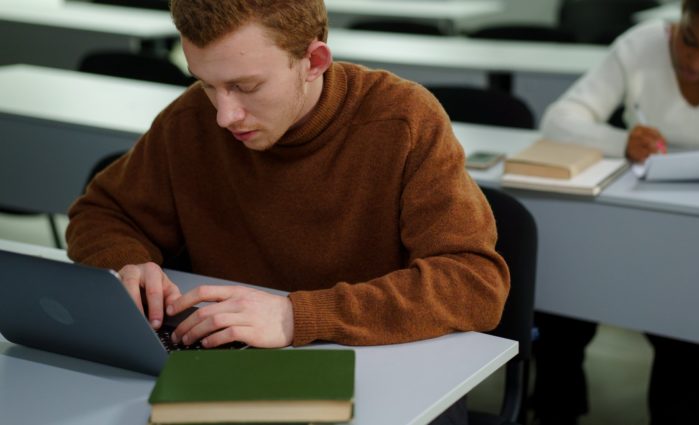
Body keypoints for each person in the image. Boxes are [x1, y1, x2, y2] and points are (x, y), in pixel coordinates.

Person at [66, 1, 509, 423]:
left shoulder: (403, 120)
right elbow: (101, 212)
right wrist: (127, 262)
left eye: (246, 86)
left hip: (382, 369)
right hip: (229, 372)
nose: (224, 115)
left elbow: (474, 282)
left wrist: (297, 316)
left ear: (314, 61)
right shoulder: (189, 120)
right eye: (205, 83)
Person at [534, 0, 699, 424]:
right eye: (689, 41)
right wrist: (622, 141)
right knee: (561, 318)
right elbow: (558, 120)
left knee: (686, 351)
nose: (698, 62)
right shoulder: (643, 44)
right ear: (681, 17)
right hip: (627, 226)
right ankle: (555, 411)